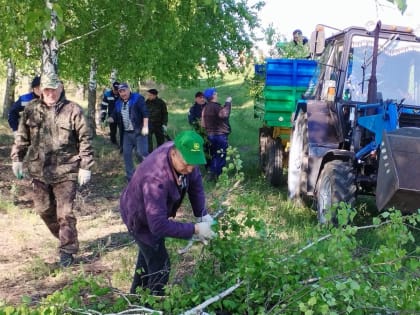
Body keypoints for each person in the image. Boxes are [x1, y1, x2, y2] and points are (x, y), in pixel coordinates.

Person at [10, 73, 94, 267]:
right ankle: (67, 236)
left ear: (61, 88)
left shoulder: (73, 110)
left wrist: (85, 166)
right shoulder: (31, 109)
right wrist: (17, 158)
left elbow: (85, 140)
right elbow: (22, 137)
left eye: (54, 89)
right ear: (40, 90)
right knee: (44, 209)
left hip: (66, 169)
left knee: (65, 213)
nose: (50, 93)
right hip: (39, 169)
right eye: (46, 89)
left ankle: (67, 251)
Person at [119, 130, 216, 295]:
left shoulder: (188, 157)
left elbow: (195, 183)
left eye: (194, 163)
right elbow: (157, 226)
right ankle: (155, 305)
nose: (191, 168)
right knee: (160, 264)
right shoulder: (155, 178)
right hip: (139, 218)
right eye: (187, 164)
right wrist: (195, 229)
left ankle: (137, 297)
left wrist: (201, 214)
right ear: (173, 154)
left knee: (148, 256)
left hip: (155, 213)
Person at [108, 83, 149, 182]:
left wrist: (145, 126)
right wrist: (110, 118)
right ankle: (131, 177)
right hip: (127, 133)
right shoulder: (118, 103)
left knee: (141, 153)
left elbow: (145, 113)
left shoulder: (137, 99)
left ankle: (149, 173)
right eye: (120, 92)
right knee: (126, 154)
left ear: (129, 90)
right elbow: (114, 114)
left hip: (139, 131)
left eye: (124, 91)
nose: (122, 93)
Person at [201, 88, 232, 181]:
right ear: (213, 95)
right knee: (221, 155)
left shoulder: (205, 108)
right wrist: (228, 103)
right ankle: (219, 176)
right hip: (220, 136)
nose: (217, 94)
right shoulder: (215, 107)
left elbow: (202, 124)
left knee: (215, 154)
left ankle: (212, 173)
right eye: (215, 93)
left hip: (210, 135)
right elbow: (225, 114)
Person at [145, 88, 168, 153]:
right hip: (149, 125)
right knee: (148, 140)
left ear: (154, 95)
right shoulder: (147, 102)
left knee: (160, 141)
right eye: (148, 95)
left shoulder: (161, 103)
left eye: (150, 95)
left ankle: (160, 153)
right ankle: (150, 154)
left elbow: (165, 114)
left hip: (159, 125)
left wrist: (164, 124)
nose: (148, 96)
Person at [100, 81, 120, 146]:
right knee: (113, 131)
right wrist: (103, 116)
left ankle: (123, 144)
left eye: (117, 90)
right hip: (111, 116)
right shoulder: (108, 94)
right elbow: (104, 106)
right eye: (115, 90)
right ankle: (113, 143)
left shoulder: (122, 94)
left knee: (123, 130)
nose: (116, 91)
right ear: (112, 88)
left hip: (121, 115)